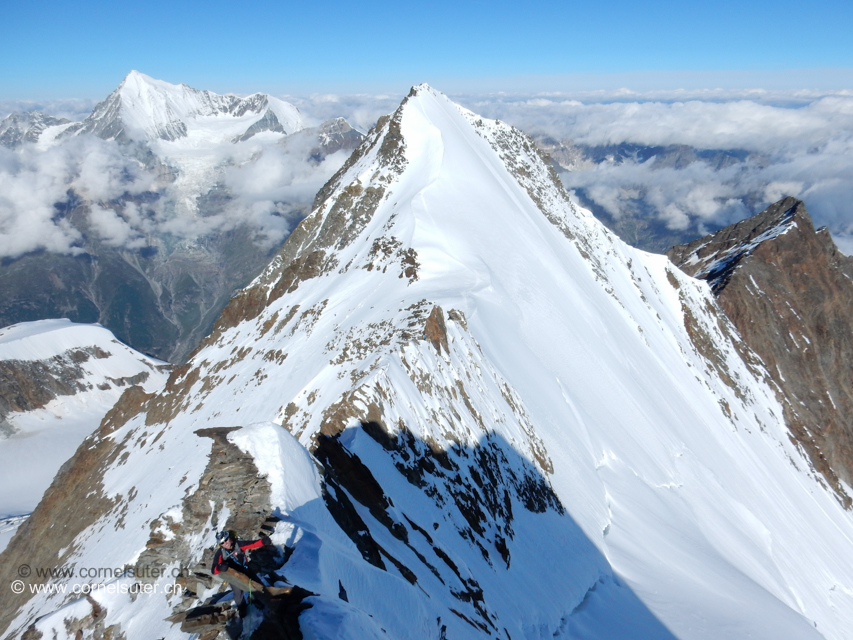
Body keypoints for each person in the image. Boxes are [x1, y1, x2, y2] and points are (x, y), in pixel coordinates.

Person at [212, 530, 269, 617]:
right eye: (222, 542)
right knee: (238, 593)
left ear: (229, 538)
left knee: (258, 585)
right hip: (233, 576)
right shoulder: (220, 553)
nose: (225, 543)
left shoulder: (238, 544)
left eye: (226, 540)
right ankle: (242, 608)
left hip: (245, 569)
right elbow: (213, 570)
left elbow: (252, 544)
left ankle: (255, 599)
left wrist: (263, 542)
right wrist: (219, 567)